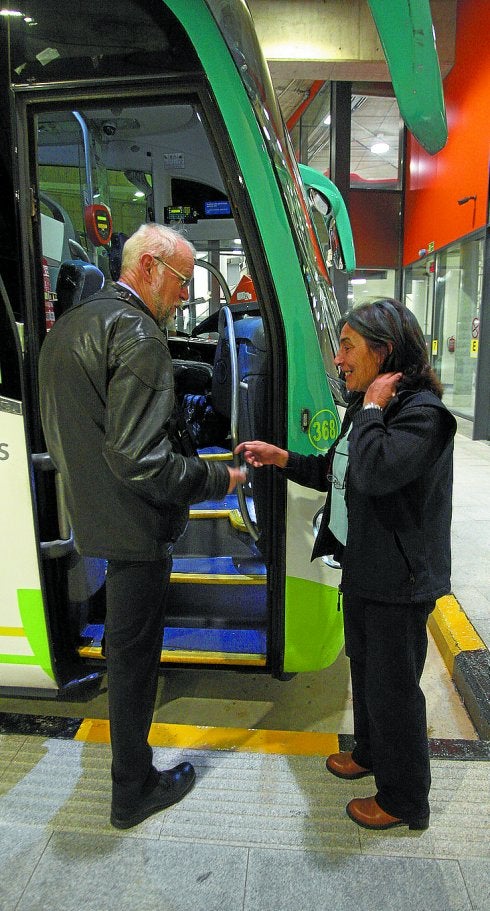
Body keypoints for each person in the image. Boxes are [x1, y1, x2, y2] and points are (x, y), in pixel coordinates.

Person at [39, 222, 245, 829]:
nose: (183, 296)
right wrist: (216, 480)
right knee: (135, 659)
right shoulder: (138, 333)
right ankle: (133, 787)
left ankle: (130, 769)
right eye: (181, 280)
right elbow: (140, 459)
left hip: (94, 514)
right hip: (135, 525)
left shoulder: (73, 324)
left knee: (122, 647)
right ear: (150, 266)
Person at [236, 298, 456, 831]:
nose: (338, 359)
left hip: (399, 580)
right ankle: (370, 754)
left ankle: (406, 800)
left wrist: (376, 408)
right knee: (366, 673)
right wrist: (283, 458)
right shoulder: (367, 410)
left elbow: (377, 472)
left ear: (384, 353)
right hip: (365, 568)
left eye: (348, 347)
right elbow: (341, 472)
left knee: (394, 689)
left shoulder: (424, 415)